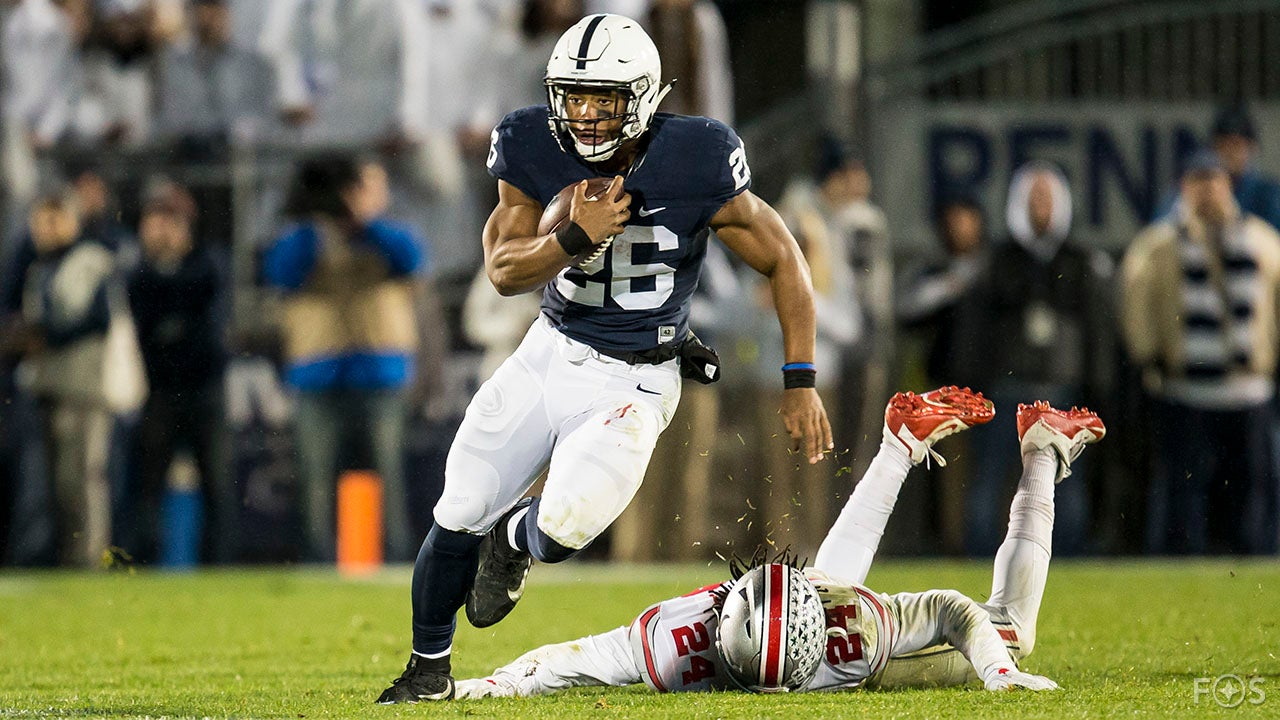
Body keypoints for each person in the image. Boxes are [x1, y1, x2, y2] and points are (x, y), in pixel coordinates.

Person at [376, 13, 833, 703]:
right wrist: (571, 239)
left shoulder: (699, 155)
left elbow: (784, 258)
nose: (585, 115)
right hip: (550, 352)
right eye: (574, 96)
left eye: (605, 100)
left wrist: (799, 379)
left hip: (638, 377)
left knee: (563, 523)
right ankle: (427, 671)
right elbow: (502, 269)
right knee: (458, 504)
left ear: (644, 97)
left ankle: (517, 539)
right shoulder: (529, 140)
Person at [449, 386, 1105, 697]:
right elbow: (566, 661)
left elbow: (952, 610)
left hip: (844, 633)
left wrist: (999, 674)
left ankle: (1039, 452)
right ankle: (903, 449)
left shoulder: (852, 628)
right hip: (820, 609)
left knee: (1010, 634)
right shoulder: (671, 642)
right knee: (843, 588)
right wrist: (491, 686)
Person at [262, 155, 426, 564]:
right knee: (315, 479)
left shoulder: (390, 234)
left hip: (379, 370)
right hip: (317, 371)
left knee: (387, 475)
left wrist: (364, 223)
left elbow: (412, 261)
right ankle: (316, 559)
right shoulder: (304, 237)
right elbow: (281, 273)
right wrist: (317, 223)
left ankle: (396, 558)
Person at [1121, 150, 1280, 555]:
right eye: (1199, 181)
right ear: (1184, 187)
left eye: (1216, 180)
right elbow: (1137, 305)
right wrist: (1149, 356)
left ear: (1229, 186)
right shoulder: (1160, 244)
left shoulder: (1261, 239)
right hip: (1186, 389)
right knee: (1184, 489)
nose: (1208, 190)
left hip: (1248, 389)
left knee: (1252, 488)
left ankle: (1253, 561)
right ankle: (1182, 563)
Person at [963, 161, 1114, 557]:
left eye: (1047, 198)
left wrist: (1098, 387)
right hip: (1007, 392)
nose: (1041, 207)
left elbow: (1097, 330)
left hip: (1061, 393)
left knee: (1067, 485)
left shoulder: (1081, 263)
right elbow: (977, 330)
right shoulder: (997, 262)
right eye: (1034, 199)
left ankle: (1067, 562)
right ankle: (979, 559)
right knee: (991, 483)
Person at [122, 182, 234, 564]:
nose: (162, 231)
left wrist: (169, 326)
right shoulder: (136, 270)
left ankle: (218, 564)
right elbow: (143, 322)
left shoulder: (210, 262)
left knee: (217, 484)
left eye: (170, 221)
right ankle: (144, 562)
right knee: (148, 485)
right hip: (159, 390)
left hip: (204, 388)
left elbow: (205, 323)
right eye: (155, 221)